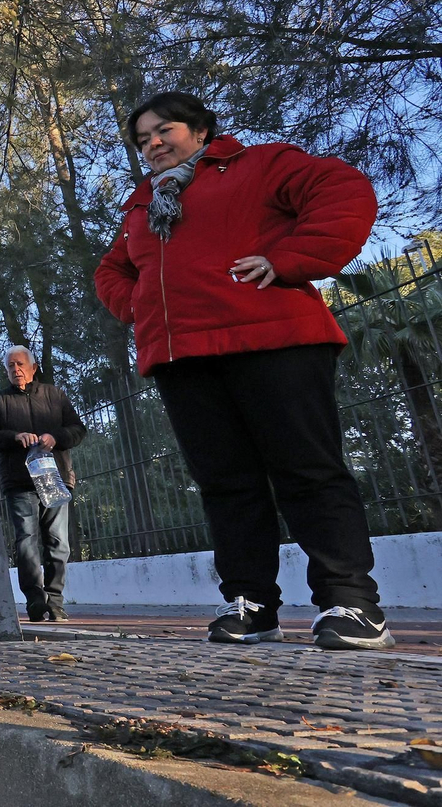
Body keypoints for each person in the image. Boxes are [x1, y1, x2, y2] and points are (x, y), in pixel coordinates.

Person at [95, 91, 390, 649]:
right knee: (226, 486)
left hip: (273, 339)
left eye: (165, 130)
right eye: (142, 139)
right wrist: (140, 309)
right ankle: (252, 605)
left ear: (201, 131)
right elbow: (111, 270)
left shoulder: (259, 166)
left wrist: (288, 261)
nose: (153, 144)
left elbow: (343, 189)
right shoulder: (142, 205)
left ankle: (350, 601)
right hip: (183, 357)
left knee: (307, 470)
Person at [0, 345, 87, 623]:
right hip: (19, 482)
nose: (15, 371)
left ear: (33, 367)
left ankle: (55, 601)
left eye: (19, 365)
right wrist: (15, 436)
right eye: (10, 367)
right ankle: (35, 602)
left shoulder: (55, 396)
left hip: (56, 479)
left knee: (58, 542)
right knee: (26, 543)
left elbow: (78, 430)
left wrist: (56, 437)